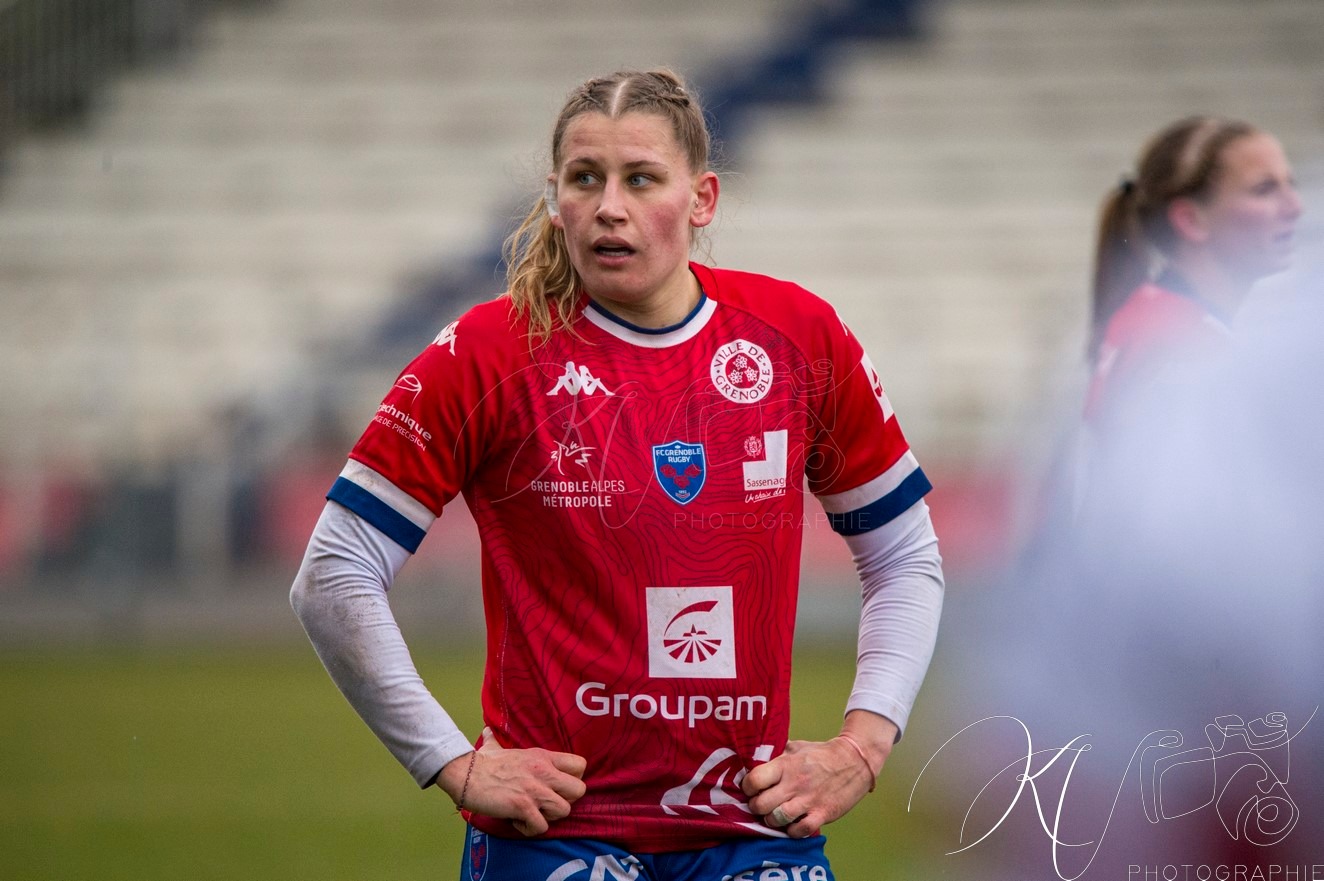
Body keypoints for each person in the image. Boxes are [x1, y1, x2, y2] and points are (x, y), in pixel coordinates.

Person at [290, 68, 944, 881]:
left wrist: (863, 743)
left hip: (752, 822)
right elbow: (334, 572)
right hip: (556, 831)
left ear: (701, 199)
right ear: (556, 195)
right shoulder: (489, 353)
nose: (609, 206)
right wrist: (454, 762)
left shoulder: (796, 336)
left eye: (641, 179)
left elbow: (905, 556)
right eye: (585, 179)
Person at [1083, 115, 1302, 427]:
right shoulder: (1190, 348)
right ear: (1190, 220)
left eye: (1289, 185)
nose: (1295, 207)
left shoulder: (1154, 315)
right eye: (1264, 189)